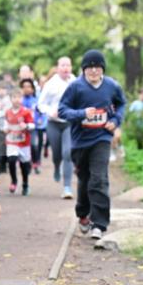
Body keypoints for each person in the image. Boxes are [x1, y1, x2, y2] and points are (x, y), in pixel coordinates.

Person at [58, 49, 126, 241]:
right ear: (84, 69)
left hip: (102, 138)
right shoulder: (75, 87)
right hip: (80, 141)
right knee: (85, 180)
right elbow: (62, 110)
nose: (94, 71)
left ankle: (100, 224)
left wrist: (117, 120)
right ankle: (83, 214)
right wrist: (81, 114)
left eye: (97, 67)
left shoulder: (112, 86)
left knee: (99, 178)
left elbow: (121, 104)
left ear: (102, 68)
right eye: (90, 67)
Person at [37, 56, 76, 199]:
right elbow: (41, 104)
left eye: (68, 65)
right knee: (57, 154)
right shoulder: (51, 83)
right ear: (58, 67)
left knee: (68, 153)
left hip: (69, 123)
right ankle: (56, 166)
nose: (66, 68)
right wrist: (49, 111)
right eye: (63, 65)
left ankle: (67, 187)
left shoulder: (75, 82)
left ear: (71, 67)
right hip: (53, 123)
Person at [5, 89, 35, 195]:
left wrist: (26, 126)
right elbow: (6, 124)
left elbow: (32, 125)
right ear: (10, 99)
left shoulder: (26, 111)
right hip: (11, 141)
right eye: (14, 97)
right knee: (11, 159)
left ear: (22, 99)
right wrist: (6, 129)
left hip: (24, 143)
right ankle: (14, 180)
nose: (17, 100)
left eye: (19, 97)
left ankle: (25, 184)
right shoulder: (7, 112)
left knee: (24, 165)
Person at [20, 77, 44, 174]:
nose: (26, 89)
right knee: (25, 147)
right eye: (24, 87)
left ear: (33, 89)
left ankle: (36, 163)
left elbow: (41, 112)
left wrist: (40, 120)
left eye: (29, 86)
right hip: (22, 128)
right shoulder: (20, 101)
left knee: (34, 145)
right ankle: (27, 164)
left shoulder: (36, 100)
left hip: (33, 127)